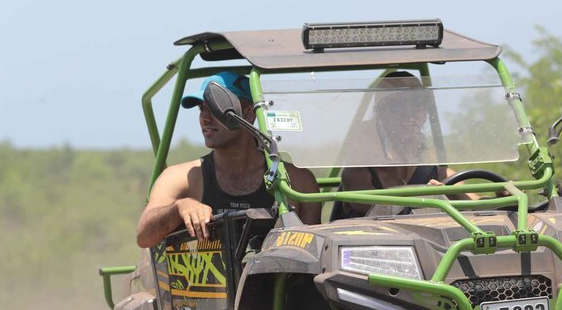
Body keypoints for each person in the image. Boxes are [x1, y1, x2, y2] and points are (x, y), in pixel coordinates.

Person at [136, 71, 320, 248]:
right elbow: (143, 237)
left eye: (217, 108)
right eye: (202, 109)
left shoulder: (298, 182)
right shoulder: (183, 178)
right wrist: (179, 208)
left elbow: (313, 256)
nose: (205, 119)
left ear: (248, 114)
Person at [331, 71, 475, 220]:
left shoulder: (441, 175)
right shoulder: (358, 175)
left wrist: (496, 196)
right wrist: (435, 197)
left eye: (418, 104)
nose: (409, 113)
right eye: (397, 105)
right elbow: (379, 213)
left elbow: (479, 204)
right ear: (380, 114)